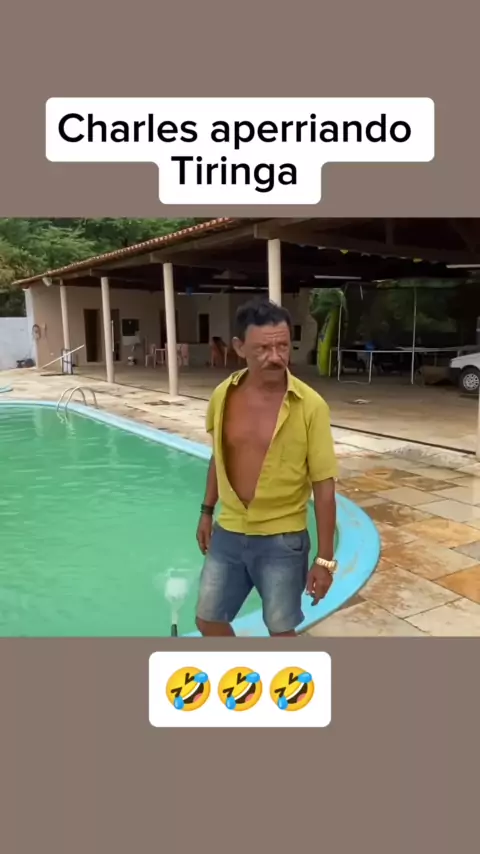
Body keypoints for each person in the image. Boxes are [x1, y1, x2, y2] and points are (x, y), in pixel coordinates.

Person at [195, 298, 338, 637]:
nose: (275, 357)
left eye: (282, 346)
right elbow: (219, 456)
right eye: (262, 348)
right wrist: (206, 510)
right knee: (207, 620)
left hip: (282, 539)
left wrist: (325, 560)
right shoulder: (223, 395)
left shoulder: (310, 406)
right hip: (229, 530)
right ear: (239, 347)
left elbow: (324, 486)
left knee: (280, 632)